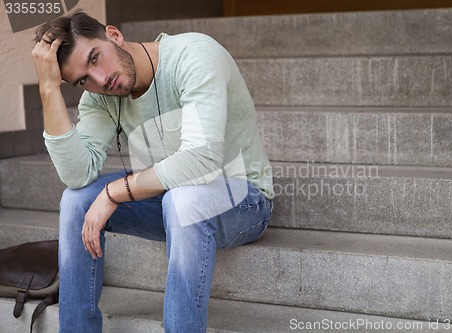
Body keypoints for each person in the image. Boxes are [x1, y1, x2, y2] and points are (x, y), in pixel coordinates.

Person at [31, 10, 274, 333]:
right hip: (170, 198)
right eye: (83, 80)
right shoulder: (102, 96)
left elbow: (201, 159)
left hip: (243, 197)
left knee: (183, 200)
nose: (101, 79)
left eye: (95, 58)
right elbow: (77, 174)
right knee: (77, 200)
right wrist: (49, 90)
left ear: (113, 35)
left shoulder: (194, 55)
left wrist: (116, 191)